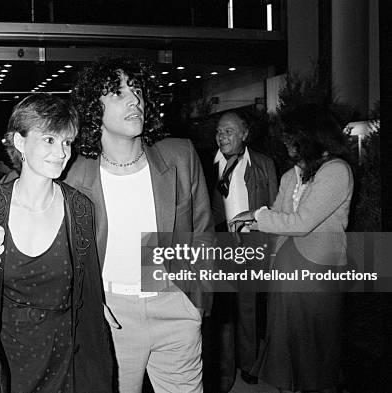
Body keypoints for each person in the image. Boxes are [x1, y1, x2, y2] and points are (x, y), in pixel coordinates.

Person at [65, 57, 214, 393]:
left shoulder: (180, 155)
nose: (133, 100)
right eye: (117, 93)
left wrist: (197, 301)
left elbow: (203, 230)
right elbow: (65, 251)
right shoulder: (73, 173)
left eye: (137, 91)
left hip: (175, 304)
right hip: (112, 315)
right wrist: (86, 302)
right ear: (93, 108)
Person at [0, 94, 112, 393]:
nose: (62, 152)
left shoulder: (79, 209)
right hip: (4, 361)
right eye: (50, 139)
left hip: (66, 359)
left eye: (67, 142)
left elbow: (87, 288)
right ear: (20, 142)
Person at [230, 103, 354, 393]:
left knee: (315, 343)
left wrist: (256, 215)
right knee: (284, 341)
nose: (285, 141)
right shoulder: (291, 175)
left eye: (291, 135)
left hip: (318, 272)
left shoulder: (336, 171)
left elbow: (301, 222)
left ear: (310, 135)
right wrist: (248, 225)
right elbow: (279, 218)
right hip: (286, 269)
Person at [206, 110, 278, 390]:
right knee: (222, 311)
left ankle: (249, 364)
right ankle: (224, 372)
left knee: (248, 308)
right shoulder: (207, 164)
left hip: (252, 243)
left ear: (245, 134)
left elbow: (273, 206)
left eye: (229, 131)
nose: (222, 136)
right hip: (221, 243)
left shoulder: (263, 164)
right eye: (219, 131)